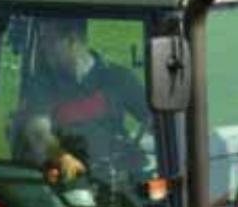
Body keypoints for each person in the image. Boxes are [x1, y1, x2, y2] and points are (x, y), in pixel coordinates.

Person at [14, 16, 149, 183]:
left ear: (71, 40)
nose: (43, 48)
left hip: (117, 180)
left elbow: (154, 118)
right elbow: (38, 131)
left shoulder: (117, 78)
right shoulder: (42, 84)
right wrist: (62, 157)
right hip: (65, 183)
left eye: (49, 41)